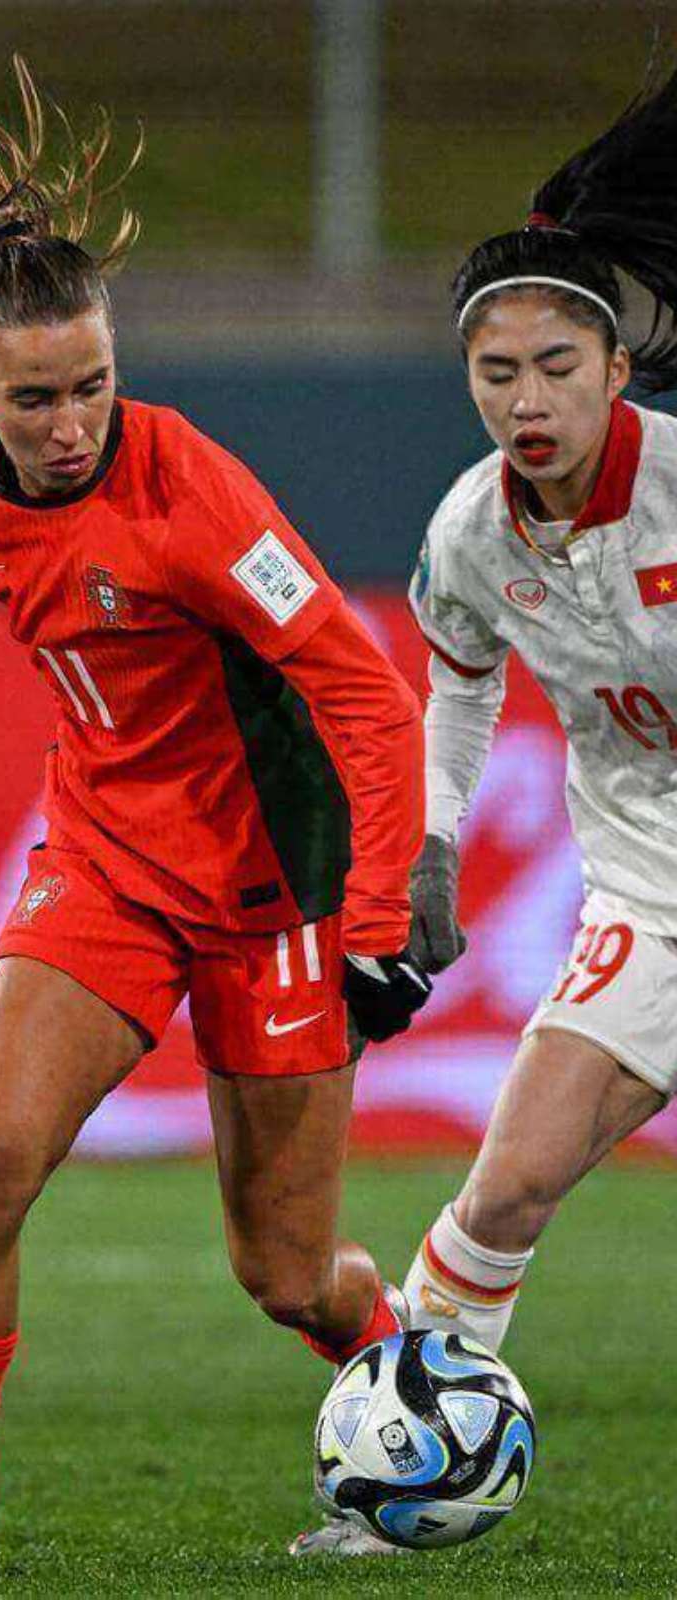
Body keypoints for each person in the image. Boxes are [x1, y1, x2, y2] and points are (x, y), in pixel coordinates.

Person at [0, 58, 430, 1585]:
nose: (72, 423)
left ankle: (431, 1415)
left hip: (277, 898)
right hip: (107, 874)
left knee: (284, 1276)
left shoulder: (195, 492)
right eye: (35, 398)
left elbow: (364, 694)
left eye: (92, 385)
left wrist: (387, 923)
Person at [291, 64, 677, 1558]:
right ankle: (402, 1498)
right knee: (507, 1183)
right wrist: (437, 837)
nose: (526, 399)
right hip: (649, 896)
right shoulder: (467, 533)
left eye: (556, 366)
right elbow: (453, 693)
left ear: (615, 368)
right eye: (496, 371)